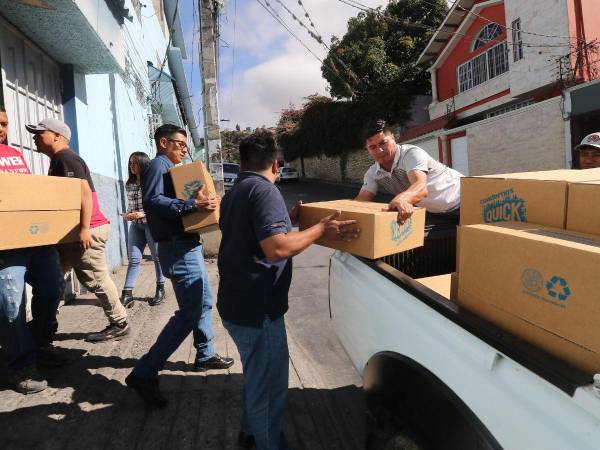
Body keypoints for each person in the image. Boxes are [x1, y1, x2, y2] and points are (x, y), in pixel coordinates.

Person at [217, 130, 360, 450]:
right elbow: (277, 248)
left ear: (241, 163)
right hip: (258, 311)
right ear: (276, 166)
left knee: (256, 376)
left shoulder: (234, 192)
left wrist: (287, 220)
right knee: (268, 389)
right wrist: (320, 228)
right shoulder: (265, 192)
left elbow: (254, 235)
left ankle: (250, 433)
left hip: (236, 304)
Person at [125, 124, 233, 407]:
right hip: (177, 246)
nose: (184, 149)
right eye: (180, 144)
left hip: (187, 243)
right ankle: (144, 372)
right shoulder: (157, 166)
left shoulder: (170, 168)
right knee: (189, 312)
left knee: (204, 301)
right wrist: (192, 207)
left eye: (185, 145)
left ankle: (205, 353)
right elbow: (153, 201)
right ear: (163, 142)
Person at [26, 118, 129, 343]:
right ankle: (44, 324)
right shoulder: (58, 159)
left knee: (95, 278)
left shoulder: (65, 158)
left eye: (39, 132)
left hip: (86, 230)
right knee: (51, 278)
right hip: (69, 234)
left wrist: (83, 229)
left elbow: (83, 193)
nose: (35, 137)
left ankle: (120, 322)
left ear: (57, 136)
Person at [0, 106, 66, 394]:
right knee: (11, 304)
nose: (1, 129)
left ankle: (40, 343)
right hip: (5, 246)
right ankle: (19, 364)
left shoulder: (14, 154)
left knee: (53, 287)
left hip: (33, 239)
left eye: (4, 123)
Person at [356, 119, 462, 226]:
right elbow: (361, 201)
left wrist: (402, 199)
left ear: (393, 137)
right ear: (367, 149)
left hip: (463, 201)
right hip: (435, 212)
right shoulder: (372, 173)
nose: (379, 150)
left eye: (383, 143)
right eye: (373, 147)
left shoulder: (411, 154)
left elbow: (420, 187)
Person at [121, 152, 166, 308]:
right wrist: (128, 214)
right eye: (130, 163)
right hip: (136, 225)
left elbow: (158, 205)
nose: (131, 166)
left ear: (143, 164)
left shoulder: (151, 182)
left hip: (151, 224)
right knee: (134, 259)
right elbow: (132, 205)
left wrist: (142, 213)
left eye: (135, 163)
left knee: (157, 257)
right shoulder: (130, 184)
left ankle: (160, 288)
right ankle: (127, 294)